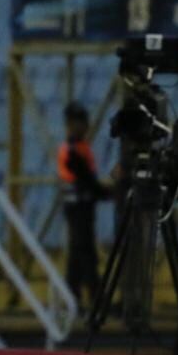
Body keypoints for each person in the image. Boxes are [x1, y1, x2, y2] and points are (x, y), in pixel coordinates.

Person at [57, 102, 110, 307]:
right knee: (85, 252)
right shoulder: (72, 151)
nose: (84, 126)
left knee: (78, 253)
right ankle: (94, 298)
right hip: (78, 206)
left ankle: (73, 296)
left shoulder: (78, 148)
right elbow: (86, 180)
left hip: (80, 206)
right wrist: (105, 192)